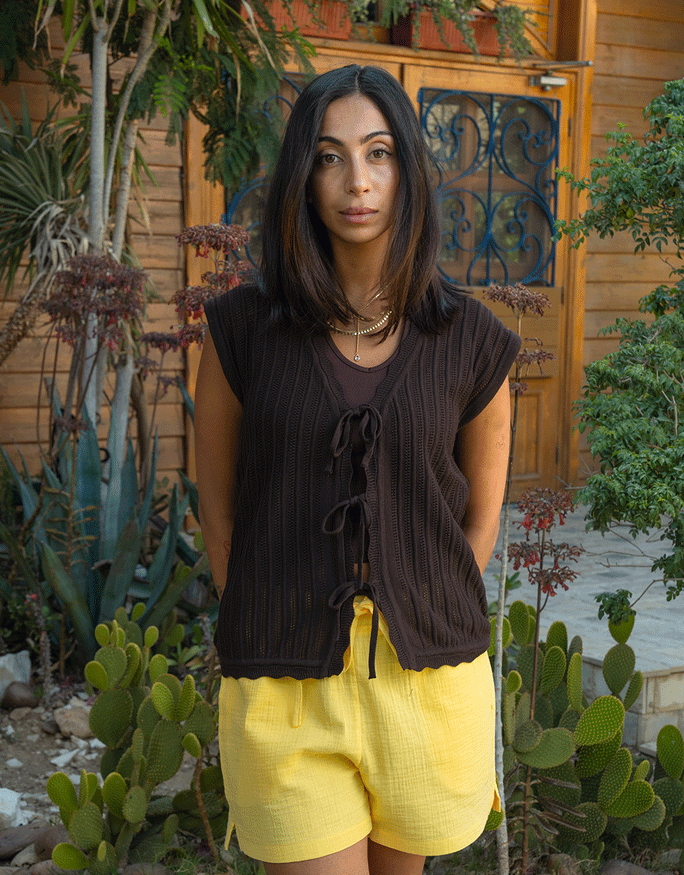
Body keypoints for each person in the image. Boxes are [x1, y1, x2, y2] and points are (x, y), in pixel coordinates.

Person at [194, 64, 521, 875]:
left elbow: (480, 516)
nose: (357, 182)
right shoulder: (241, 330)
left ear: (408, 169)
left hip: (426, 679)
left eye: (378, 153)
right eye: (330, 157)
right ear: (302, 177)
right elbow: (218, 507)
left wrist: (424, 599)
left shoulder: (472, 338)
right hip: (284, 679)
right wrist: (262, 612)